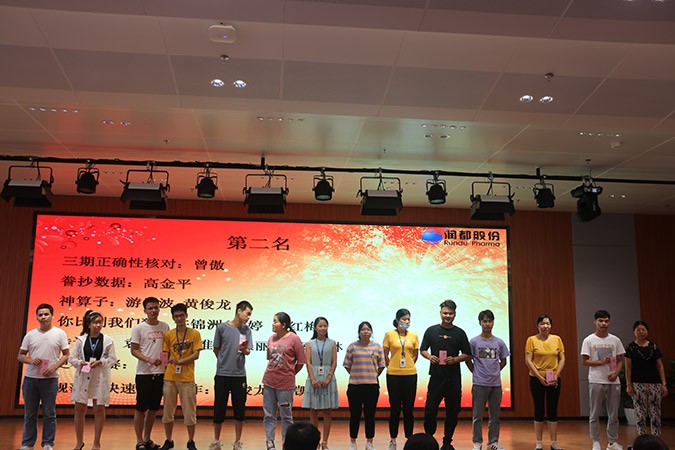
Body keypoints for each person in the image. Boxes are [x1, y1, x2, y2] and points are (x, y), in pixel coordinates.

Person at [420, 299, 471, 450]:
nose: (447, 316)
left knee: (453, 412)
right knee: (430, 410)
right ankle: (429, 439)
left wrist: (455, 359)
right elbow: (423, 349)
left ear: (455, 314)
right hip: (436, 377)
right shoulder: (431, 331)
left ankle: (447, 442)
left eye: (450, 313)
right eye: (445, 313)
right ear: (440, 313)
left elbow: (468, 354)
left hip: (453, 378)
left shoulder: (460, 333)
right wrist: (430, 357)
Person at [18, 303, 70, 450]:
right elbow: (20, 356)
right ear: (37, 317)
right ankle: (27, 444)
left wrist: (54, 367)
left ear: (52, 316)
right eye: (40, 315)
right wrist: (31, 360)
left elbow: (66, 355)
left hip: (50, 380)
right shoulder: (30, 335)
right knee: (30, 414)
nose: (43, 317)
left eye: (46, 314)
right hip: (30, 380)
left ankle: (48, 443)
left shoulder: (60, 333)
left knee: (49, 413)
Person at [69, 310, 118, 450]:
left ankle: (96, 443)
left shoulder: (108, 340)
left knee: (99, 409)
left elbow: (113, 359)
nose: (98, 325)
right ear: (89, 324)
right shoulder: (81, 340)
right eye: (95, 322)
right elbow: (72, 358)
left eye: (100, 322)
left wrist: (101, 362)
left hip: (99, 377)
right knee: (79, 409)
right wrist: (81, 363)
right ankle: (79, 442)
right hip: (83, 377)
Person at [210, 300, 254, 450]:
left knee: (239, 409)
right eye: (247, 313)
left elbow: (248, 351)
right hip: (222, 374)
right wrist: (224, 361)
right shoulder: (222, 328)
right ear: (239, 311)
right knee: (219, 408)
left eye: (250, 315)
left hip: (239, 375)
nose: (248, 317)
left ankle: (237, 442)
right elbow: (216, 349)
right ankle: (216, 441)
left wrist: (244, 350)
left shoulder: (247, 330)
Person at [580, 310, 625, 450]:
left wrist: (616, 373)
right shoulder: (589, 340)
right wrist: (601, 362)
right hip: (596, 380)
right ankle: (595, 441)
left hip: (613, 380)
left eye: (606, 321)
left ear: (609, 322)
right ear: (595, 322)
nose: (603, 323)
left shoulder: (615, 340)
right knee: (594, 413)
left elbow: (620, 360)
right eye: (600, 321)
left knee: (614, 414)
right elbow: (585, 361)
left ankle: (612, 442)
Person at [161, 303, 203, 450]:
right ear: (173, 318)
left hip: (187, 378)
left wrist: (180, 361)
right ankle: (168, 440)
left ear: (186, 316)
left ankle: (191, 441)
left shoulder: (195, 334)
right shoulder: (169, 335)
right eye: (176, 316)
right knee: (167, 411)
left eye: (182, 315)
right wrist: (165, 365)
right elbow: (165, 355)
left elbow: (196, 355)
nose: (179, 318)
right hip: (170, 378)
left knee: (190, 412)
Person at [262, 312, 307, 450]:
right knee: (269, 415)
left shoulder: (294, 339)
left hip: (285, 385)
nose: (273, 324)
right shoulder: (271, 338)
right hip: (269, 381)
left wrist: (290, 373)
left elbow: (301, 361)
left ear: (283, 325)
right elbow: (270, 358)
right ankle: (269, 442)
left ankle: (287, 443)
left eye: (275, 321)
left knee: (286, 416)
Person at [131, 297, 170, 450]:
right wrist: (149, 360)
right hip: (144, 373)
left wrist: (165, 364)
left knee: (153, 408)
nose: (154, 311)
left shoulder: (165, 326)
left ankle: (147, 439)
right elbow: (134, 350)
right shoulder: (139, 328)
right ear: (145, 310)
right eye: (150, 308)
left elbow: (167, 348)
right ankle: (139, 440)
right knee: (141, 408)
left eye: (156, 308)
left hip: (160, 373)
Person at [467, 310, 510, 450]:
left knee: (495, 417)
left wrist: (494, 372)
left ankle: (493, 442)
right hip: (479, 384)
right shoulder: (474, 342)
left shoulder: (499, 342)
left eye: (490, 321)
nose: (487, 324)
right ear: (480, 323)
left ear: (493, 322)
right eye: (484, 321)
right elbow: (468, 360)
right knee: (477, 416)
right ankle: (477, 442)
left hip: (496, 385)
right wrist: (476, 372)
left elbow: (503, 361)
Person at [524, 314, 565, 450]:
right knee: (539, 409)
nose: (545, 326)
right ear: (537, 325)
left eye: (547, 323)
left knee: (553, 410)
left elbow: (562, 358)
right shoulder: (531, 340)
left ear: (551, 325)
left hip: (554, 379)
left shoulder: (557, 339)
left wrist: (556, 375)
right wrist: (539, 377)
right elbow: (528, 360)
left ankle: (554, 442)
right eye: (542, 323)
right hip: (536, 379)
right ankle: (539, 442)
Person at [343, 321, 386, 450]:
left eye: (368, 329)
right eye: (363, 329)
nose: (365, 331)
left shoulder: (377, 346)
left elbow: (381, 365)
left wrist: (372, 375)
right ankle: (353, 442)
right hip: (355, 386)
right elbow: (347, 365)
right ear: (359, 332)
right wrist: (357, 374)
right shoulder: (352, 346)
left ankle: (369, 442)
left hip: (372, 386)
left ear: (371, 332)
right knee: (354, 416)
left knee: (370, 416)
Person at [383, 309, 419, 450]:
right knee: (395, 409)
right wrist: (391, 365)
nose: (406, 321)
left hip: (410, 375)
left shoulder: (413, 335)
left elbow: (415, 355)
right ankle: (393, 440)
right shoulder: (389, 334)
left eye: (408, 319)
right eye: (404, 319)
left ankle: (409, 439)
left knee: (408, 410)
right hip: (393, 375)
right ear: (397, 320)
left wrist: (408, 365)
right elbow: (385, 354)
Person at [625, 320, 668, 437]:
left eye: (643, 329)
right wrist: (628, 385)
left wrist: (664, 384)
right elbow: (628, 368)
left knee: (655, 412)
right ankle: (642, 438)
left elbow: (660, 366)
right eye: (638, 330)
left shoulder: (653, 347)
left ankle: (656, 437)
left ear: (647, 331)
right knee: (640, 412)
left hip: (655, 383)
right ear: (634, 332)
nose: (641, 332)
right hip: (637, 384)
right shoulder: (630, 347)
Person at [302, 317, 338, 450]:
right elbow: (308, 362)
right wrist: (312, 379)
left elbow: (334, 362)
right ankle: (315, 442)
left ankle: (325, 442)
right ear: (315, 328)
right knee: (313, 411)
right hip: (314, 377)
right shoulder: (309, 343)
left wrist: (328, 378)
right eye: (320, 326)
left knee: (327, 411)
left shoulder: (332, 343)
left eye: (325, 326)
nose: (323, 328)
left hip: (328, 378)